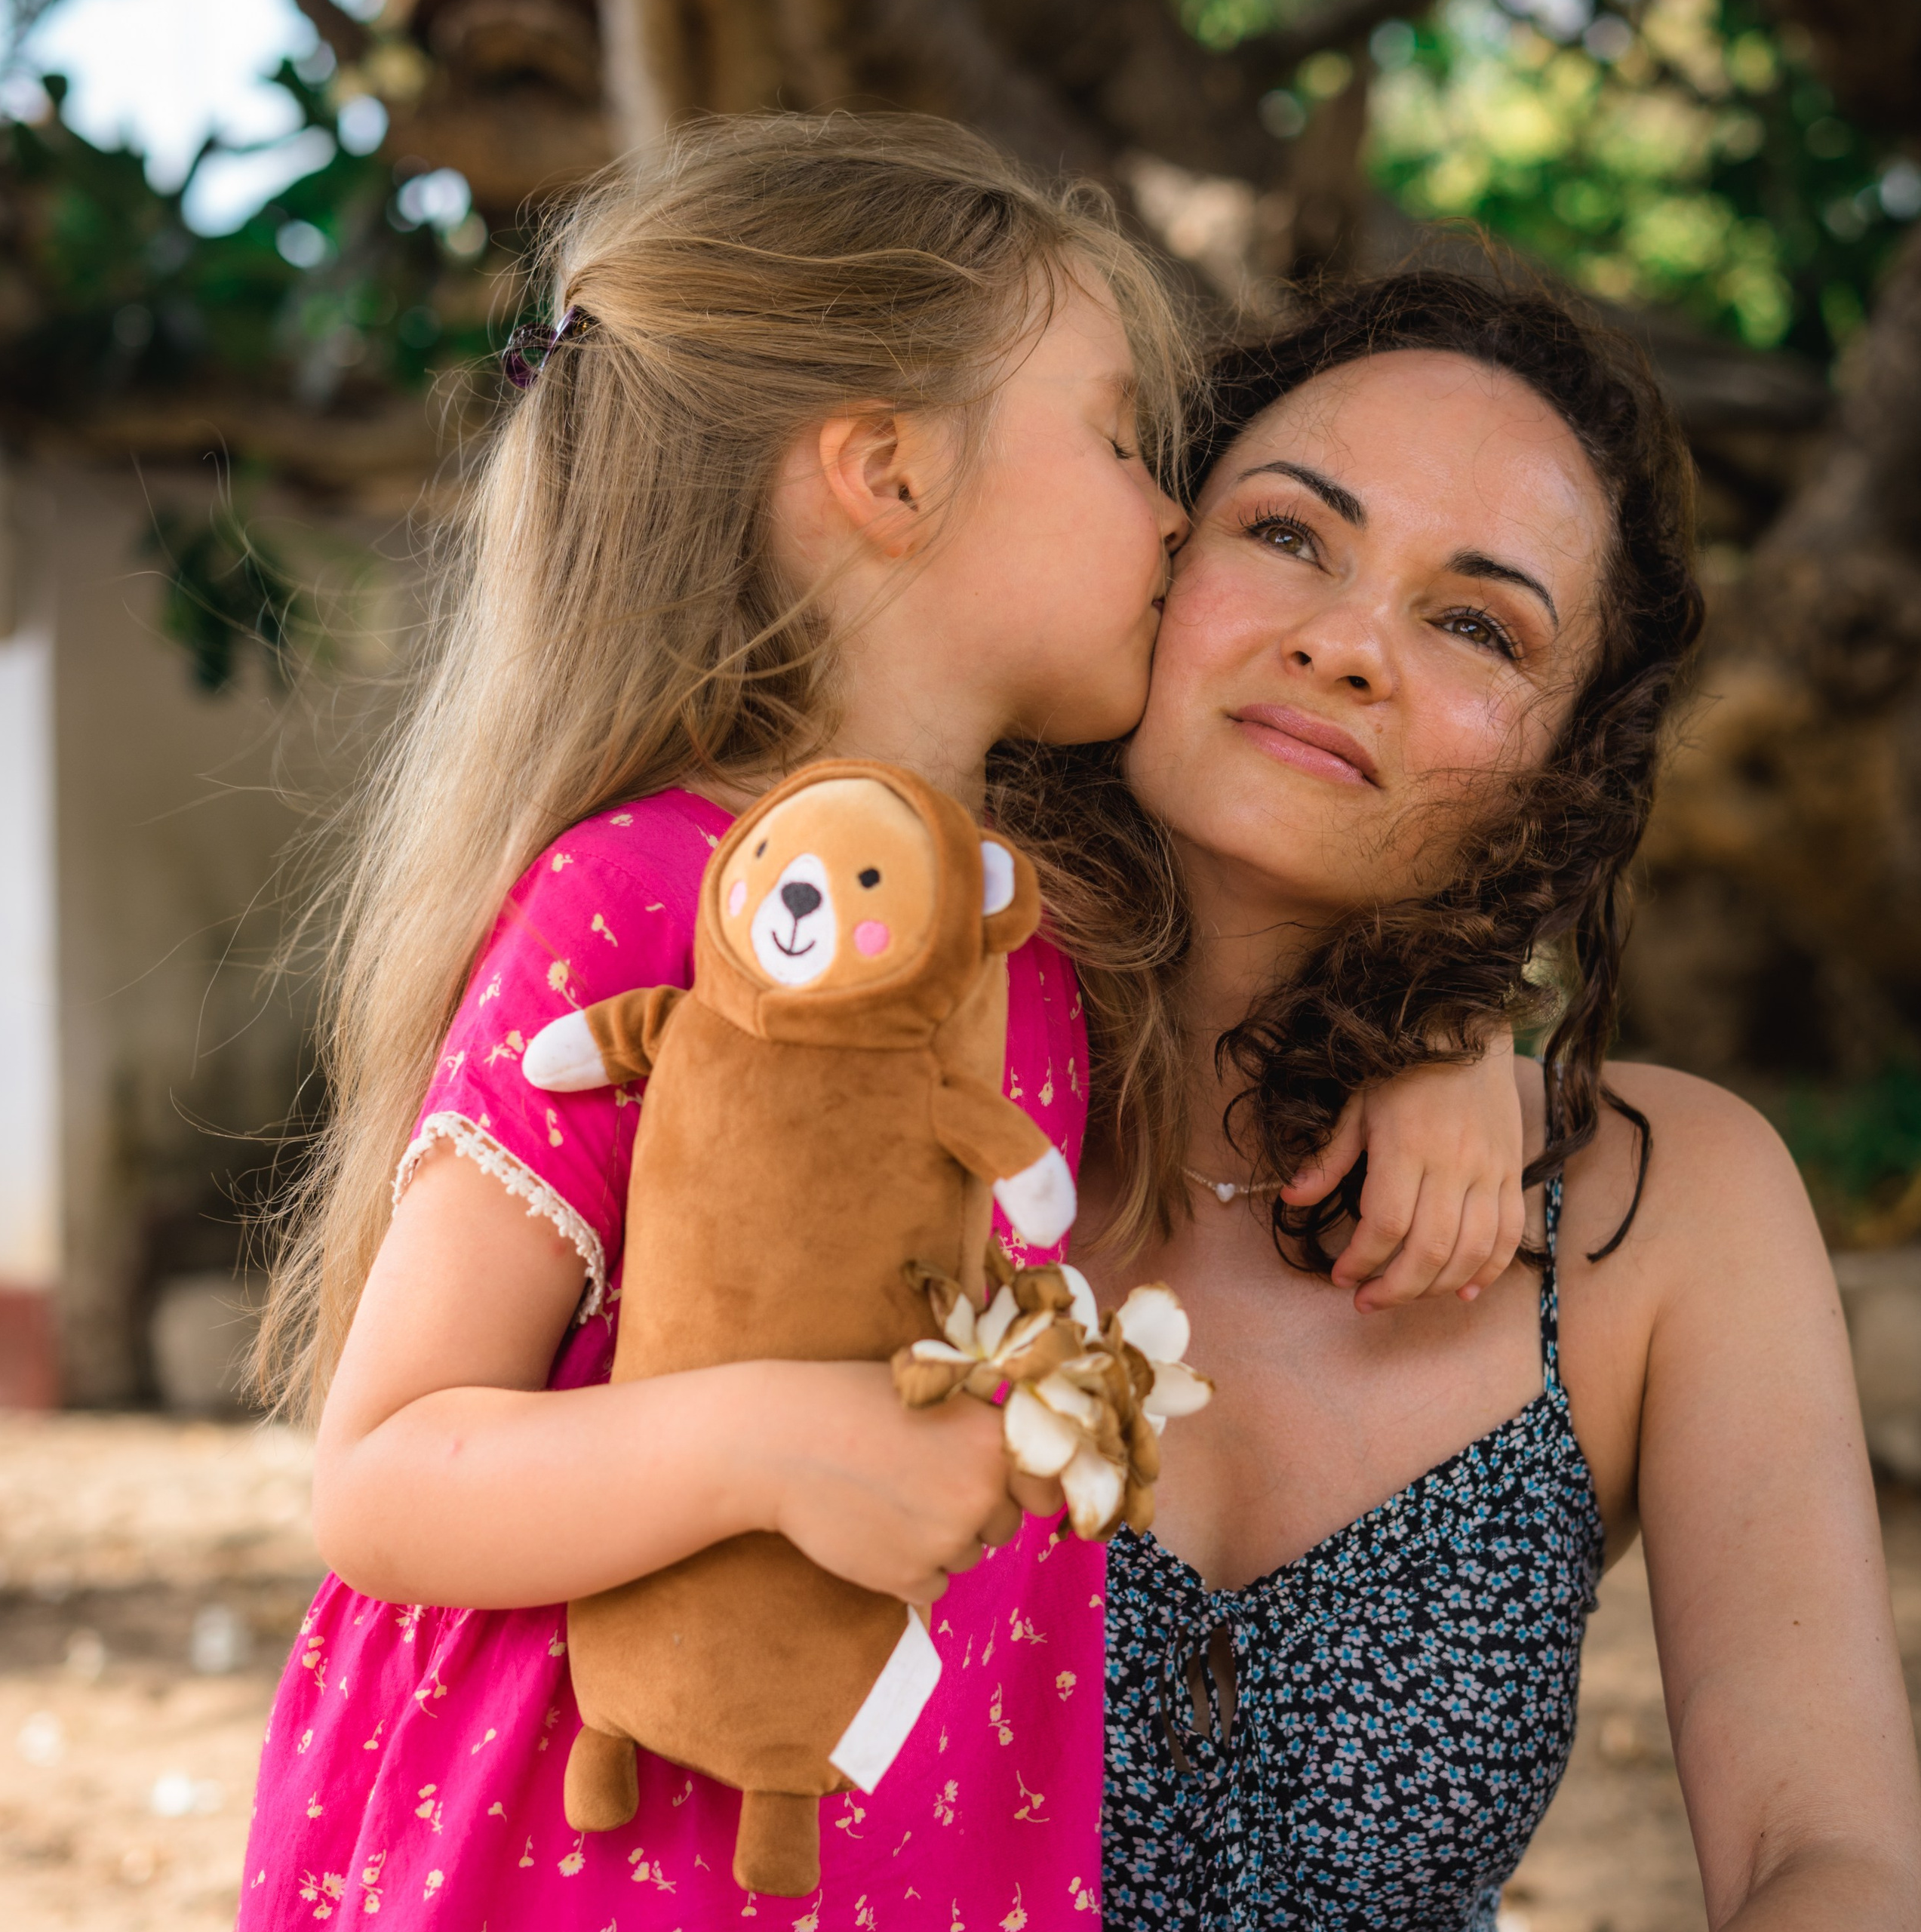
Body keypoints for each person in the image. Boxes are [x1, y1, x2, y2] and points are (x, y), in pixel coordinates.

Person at [240, 123, 1529, 1930]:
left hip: (901, 1853)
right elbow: (383, 1470)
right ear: (889, 472)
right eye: (1110, 439)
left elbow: (1284, 984)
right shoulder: (641, 894)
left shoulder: (1044, 939)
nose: (1172, 511)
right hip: (576, 1858)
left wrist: (1467, 1045)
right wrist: (767, 1443)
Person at [1023, 272, 1921, 1929]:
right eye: (1290, 533)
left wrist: (1454, 1015)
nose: (1343, 643)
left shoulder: (1661, 1205)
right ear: (1153, 543)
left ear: (1568, 761)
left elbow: (1828, 1850)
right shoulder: (860, 1056)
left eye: (1473, 624)